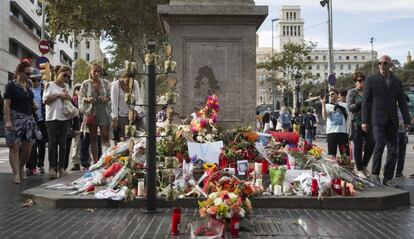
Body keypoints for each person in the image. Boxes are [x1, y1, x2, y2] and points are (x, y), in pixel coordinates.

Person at [361, 55, 411, 186]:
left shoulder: (397, 81)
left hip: (392, 120)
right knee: (380, 145)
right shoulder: (371, 80)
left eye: (385, 63)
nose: (382, 65)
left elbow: (402, 102)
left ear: (390, 65)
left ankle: (388, 178)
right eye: (380, 63)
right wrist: (364, 121)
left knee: (394, 150)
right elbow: (365, 102)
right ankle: (375, 175)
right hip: (377, 119)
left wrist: (407, 120)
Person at [4, 60, 42, 183]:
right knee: (14, 147)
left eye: (30, 74)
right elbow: (6, 105)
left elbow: (30, 99)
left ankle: (21, 167)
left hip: (28, 119)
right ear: (19, 72)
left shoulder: (29, 85)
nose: (29, 76)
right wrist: (8, 121)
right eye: (27, 74)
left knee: (27, 148)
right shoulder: (10, 86)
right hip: (15, 119)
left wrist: (34, 104)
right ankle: (16, 173)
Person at [43, 65, 73, 179]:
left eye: (69, 76)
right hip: (51, 118)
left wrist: (67, 96)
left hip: (64, 118)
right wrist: (58, 94)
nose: (66, 78)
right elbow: (45, 101)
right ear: (58, 74)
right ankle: (52, 168)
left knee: (63, 144)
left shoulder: (66, 86)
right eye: (64, 75)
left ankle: (61, 168)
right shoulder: (49, 85)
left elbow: (70, 100)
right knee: (52, 143)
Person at [80, 63, 111, 163]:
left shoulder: (106, 83)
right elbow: (81, 97)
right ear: (90, 71)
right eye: (94, 71)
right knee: (93, 137)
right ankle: (95, 161)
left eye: (98, 71)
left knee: (105, 136)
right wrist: (88, 99)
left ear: (101, 72)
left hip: (103, 111)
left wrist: (105, 99)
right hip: (91, 112)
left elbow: (111, 97)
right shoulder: (85, 83)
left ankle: (107, 158)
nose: (96, 73)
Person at [346, 72, 374, 179]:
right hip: (356, 122)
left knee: (371, 144)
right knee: (357, 146)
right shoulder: (351, 92)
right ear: (355, 82)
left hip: (368, 122)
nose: (362, 82)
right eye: (359, 80)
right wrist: (361, 104)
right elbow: (350, 107)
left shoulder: (368, 92)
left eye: (363, 80)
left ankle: (364, 165)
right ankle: (358, 169)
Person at [111, 72, 144, 144]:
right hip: (122, 116)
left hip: (134, 116)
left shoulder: (135, 83)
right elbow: (114, 103)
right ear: (123, 77)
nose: (128, 83)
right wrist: (114, 119)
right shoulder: (116, 85)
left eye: (130, 81)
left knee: (136, 140)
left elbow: (138, 99)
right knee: (124, 141)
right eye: (127, 81)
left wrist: (135, 110)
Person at [26, 68, 48, 176]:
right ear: (30, 80)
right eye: (33, 80)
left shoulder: (44, 89)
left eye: (38, 80)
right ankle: (31, 166)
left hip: (42, 120)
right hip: (31, 119)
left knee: (42, 144)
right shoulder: (27, 89)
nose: (36, 82)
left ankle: (41, 165)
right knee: (31, 144)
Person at [320, 89, 349, 157]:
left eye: (332, 94)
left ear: (337, 95)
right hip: (331, 132)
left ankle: (346, 167)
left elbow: (348, 117)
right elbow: (324, 117)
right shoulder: (327, 105)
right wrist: (323, 103)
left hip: (343, 132)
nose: (331, 96)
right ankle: (333, 167)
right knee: (332, 155)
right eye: (329, 95)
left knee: (345, 154)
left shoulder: (345, 105)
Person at [395, 95, 410, 178]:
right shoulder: (394, 109)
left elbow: (408, 122)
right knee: (395, 153)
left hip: (403, 133)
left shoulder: (405, 111)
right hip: (395, 133)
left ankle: (399, 172)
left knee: (402, 154)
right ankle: (386, 168)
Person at [70, 84, 82, 171]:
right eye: (77, 88)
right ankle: (75, 163)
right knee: (76, 144)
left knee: (86, 143)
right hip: (77, 124)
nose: (79, 90)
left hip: (86, 123)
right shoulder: (73, 100)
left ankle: (86, 161)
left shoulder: (85, 98)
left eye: (80, 88)